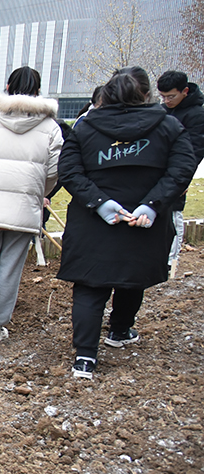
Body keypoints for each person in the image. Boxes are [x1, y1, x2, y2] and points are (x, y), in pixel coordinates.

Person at [58, 67, 195, 379]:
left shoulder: (85, 126)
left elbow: (70, 171)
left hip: (93, 222)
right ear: (145, 94)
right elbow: (181, 169)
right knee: (132, 275)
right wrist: (152, 204)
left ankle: (85, 357)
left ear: (106, 95)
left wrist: (99, 203)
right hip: (141, 219)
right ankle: (119, 330)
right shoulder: (168, 126)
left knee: (90, 284)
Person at [0, 66, 62, 346]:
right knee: (10, 267)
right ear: (38, 91)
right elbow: (54, 172)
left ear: (7, 87)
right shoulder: (50, 127)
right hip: (25, 207)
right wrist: (37, 193)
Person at [156, 70, 204, 272]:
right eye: (163, 97)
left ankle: (171, 262)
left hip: (178, 172)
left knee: (174, 212)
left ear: (185, 91)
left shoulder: (197, 115)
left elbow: (195, 150)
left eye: (171, 96)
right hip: (158, 170)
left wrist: (184, 178)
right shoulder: (161, 111)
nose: (166, 101)